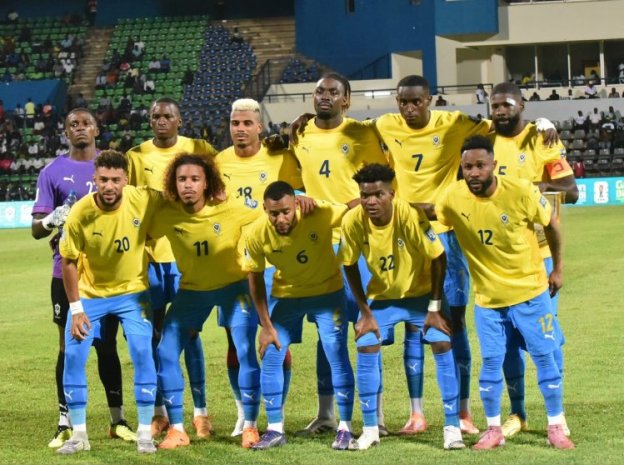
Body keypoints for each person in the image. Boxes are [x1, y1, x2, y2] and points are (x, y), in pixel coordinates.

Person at [435, 135, 574, 450]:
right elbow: (433, 216)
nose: (474, 173)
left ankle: (555, 425)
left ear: (493, 165)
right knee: (491, 363)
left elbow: (551, 223)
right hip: (488, 301)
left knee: (545, 357)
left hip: (530, 293)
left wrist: (557, 268)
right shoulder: (452, 198)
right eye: (467, 167)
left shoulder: (520, 191)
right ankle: (494, 429)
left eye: (480, 166)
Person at [373, 75, 491, 435]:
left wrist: (541, 126)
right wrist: (304, 121)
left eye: (416, 101)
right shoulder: (385, 124)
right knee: (414, 325)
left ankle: (464, 412)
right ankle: (417, 413)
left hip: (446, 236)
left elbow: (498, 127)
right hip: (405, 237)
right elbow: (347, 129)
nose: (409, 108)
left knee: (454, 323)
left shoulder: (454, 123)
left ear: (430, 100)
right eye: (403, 102)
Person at [289, 72, 388, 436]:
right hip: (319, 243)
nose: (325, 96)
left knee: (367, 323)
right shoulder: (300, 134)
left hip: (359, 239)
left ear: (346, 99)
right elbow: (291, 179)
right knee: (327, 330)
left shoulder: (363, 133)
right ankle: (326, 413)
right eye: (319, 91)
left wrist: (356, 204)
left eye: (333, 92)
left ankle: (376, 416)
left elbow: (382, 180)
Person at [340, 164, 464, 451]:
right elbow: (349, 264)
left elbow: (438, 257)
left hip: (422, 297)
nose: (371, 201)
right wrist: (365, 313)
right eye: (365, 195)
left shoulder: (409, 214)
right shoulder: (353, 221)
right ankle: (370, 429)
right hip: (383, 298)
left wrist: (434, 308)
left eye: (378, 195)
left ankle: (452, 428)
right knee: (366, 342)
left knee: (442, 342)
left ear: (391, 194)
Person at [31, 108, 134, 449]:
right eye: (73, 124)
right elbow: (36, 229)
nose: (80, 128)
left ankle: (118, 420)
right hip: (66, 272)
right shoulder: (52, 172)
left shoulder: (111, 167)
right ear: (65, 131)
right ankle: (65, 422)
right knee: (67, 346)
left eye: (86, 123)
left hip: (108, 274)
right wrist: (51, 220)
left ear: (96, 128)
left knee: (107, 345)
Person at [149, 153, 261, 449]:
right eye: (182, 179)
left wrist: (301, 199)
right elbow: (140, 230)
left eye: (195, 179)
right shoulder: (168, 214)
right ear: (173, 184)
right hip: (192, 291)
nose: (188, 185)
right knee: (166, 350)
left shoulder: (231, 208)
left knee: (245, 349)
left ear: (207, 183)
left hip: (233, 289)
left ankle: (250, 426)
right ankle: (177, 429)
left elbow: (270, 211)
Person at [488, 82, 578, 439]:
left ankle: (557, 415)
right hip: (497, 257)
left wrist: (530, 189)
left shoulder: (543, 139)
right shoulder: (484, 139)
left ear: (522, 105)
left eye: (507, 105)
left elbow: (571, 191)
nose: (500, 111)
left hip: (539, 255)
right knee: (508, 339)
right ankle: (518, 413)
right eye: (495, 105)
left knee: (546, 336)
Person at [126, 97, 217, 441]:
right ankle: (160, 412)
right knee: (152, 334)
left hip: (184, 255)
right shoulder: (136, 156)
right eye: (155, 116)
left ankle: (201, 412)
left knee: (188, 334)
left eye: (167, 116)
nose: (161, 121)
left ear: (179, 120)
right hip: (149, 258)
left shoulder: (199, 148)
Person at [57, 150, 160, 454]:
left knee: (142, 351)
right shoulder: (80, 212)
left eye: (116, 180)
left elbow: (177, 195)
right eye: (104, 180)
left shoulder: (143, 197)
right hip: (91, 295)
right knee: (74, 355)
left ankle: (145, 432)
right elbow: (68, 261)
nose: (109, 186)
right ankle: (79, 435)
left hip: (133, 293)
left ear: (126, 179)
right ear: (95, 179)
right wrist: (76, 309)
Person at [243, 181, 355, 450]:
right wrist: (266, 325)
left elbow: (351, 207)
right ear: (265, 210)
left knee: (336, 353)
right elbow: (255, 279)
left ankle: (345, 428)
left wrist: (378, 201)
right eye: (274, 213)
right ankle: (274, 429)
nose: (280, 219)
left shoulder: (318, 212)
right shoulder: (256, 233)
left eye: (286, 211)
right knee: (272, 353)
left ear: (295, 204)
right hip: (288, 296)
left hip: (327, 294)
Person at [216, 98, 303, 437]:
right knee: (236, 343)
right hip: (232, 265)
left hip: (274, 264)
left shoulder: (280, 158)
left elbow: (297, 199)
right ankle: (243, 411)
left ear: (259, 126)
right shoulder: (219, 162)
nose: (240, 129)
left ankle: (276, 411)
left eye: (247, 123)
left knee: (277, 341)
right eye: (235, 123)